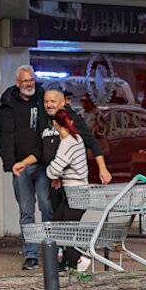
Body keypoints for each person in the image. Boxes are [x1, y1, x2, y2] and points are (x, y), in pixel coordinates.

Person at [0, 65, 47, 270]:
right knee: (26, 211)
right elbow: (1, 134)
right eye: (25, 81)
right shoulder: (8, 103)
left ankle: (53, 250)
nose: (29, 83)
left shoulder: (43, 98)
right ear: (18, 83)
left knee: (46, 207)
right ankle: (31, 254)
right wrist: (9, 162)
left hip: (42, 164)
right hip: (19, 166)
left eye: (31, 79)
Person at [42, 88, 93, 273]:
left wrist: (53, 174)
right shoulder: (76, 138)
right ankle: (68, 260)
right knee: (58, 223)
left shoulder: (67, 144)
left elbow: (54, 169)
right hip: (73, 193)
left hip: (76, 194)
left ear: (57, 125)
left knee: (66, 229)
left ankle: (78, 259)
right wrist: (57, 176)